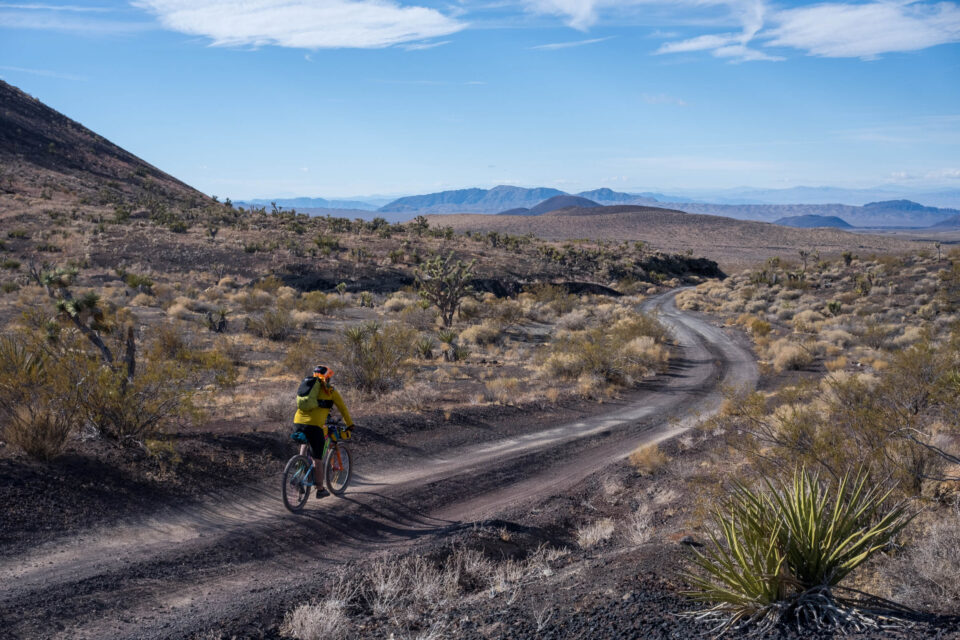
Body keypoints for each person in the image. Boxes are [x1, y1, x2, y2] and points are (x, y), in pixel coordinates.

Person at [293, 365, 354, 494]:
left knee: (305, 443)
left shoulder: (308, 387)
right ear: (327, 378)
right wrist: (350, 424)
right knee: (317, 458)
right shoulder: (330, 391)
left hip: (298, 422)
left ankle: (298, 473)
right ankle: (320, 489)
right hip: (314, 425)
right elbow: (343, 409)